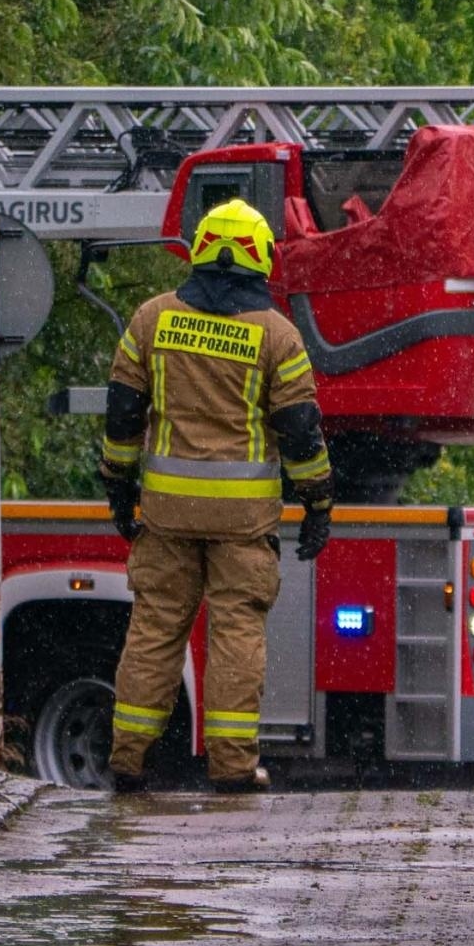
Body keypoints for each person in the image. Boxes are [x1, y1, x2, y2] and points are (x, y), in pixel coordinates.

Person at [99, 198, 333, 794]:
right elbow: (301, 431)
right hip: (243, 521)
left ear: (200, 248)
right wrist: (317, 504)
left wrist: (119, 489)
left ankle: (128, 760)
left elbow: (124, 414)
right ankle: (231, 768)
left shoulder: (151, 320)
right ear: (261, 258)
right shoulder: (277, 336)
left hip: (167, 515)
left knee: (154, 631)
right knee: (236, 636)